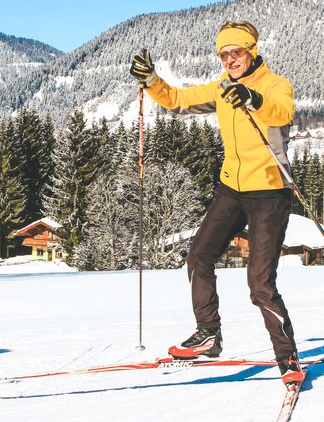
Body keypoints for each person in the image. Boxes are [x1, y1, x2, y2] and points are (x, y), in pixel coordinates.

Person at [130, 20, 304, 385]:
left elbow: (281, 112)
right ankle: (208, 333)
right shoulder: (222, 87)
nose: (229, 60)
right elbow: (178, 100)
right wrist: (151, 81)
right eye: (223, 54)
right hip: (231, 189)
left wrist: (252, 99)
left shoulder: (275, 85)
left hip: (270, 193)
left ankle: (287, 357)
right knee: (198, 256)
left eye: (236, 52)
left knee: (259, 283)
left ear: (251, 51)